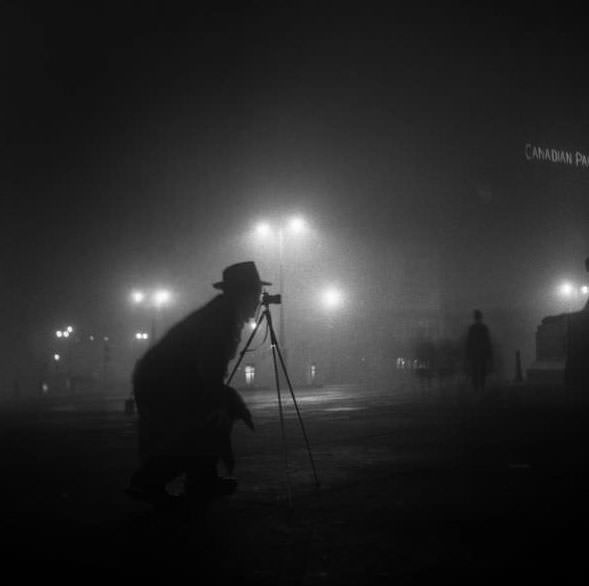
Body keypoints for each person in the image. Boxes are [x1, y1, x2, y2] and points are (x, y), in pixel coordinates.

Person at [126, 261, 270, 510]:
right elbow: (209, 367)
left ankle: (202, 479)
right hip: (164, 382)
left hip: (166, 379)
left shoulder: (223, 313)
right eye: (255, 295)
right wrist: (218, 402)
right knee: (200, 426)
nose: (258, 302)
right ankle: (151, 480)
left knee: (207, 420)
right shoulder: (221, 320)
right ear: (242, 294)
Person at [465, 309, 493, 393]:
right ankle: (482, 388)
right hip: (482, 354)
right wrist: (489, 356)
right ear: (480, 317)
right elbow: (487, 342)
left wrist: (468, 356)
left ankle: (476, 389)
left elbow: (469, 343)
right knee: (482, 373)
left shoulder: (472, 329)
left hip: (474, 354)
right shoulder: (484, 328)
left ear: (475, 318)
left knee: (475, 372)